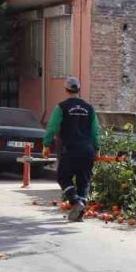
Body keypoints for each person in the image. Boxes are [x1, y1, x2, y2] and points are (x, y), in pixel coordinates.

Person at [42, 77, 101, 221]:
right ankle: (79, 214)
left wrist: (46, 144)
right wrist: (97, 148)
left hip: (70, 149)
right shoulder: (89, 108)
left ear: (66, 90)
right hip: (87, 150)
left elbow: (52, 127)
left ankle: (76, 201)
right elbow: (95, 131)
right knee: (84, 181)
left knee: (63, 177)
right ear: (79, 90)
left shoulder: (61, 107)